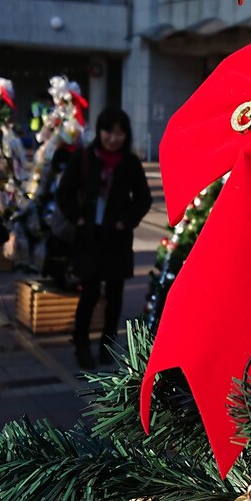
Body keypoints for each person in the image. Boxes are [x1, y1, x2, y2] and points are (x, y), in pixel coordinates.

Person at [56, 106, 151, 369]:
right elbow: (64, 192)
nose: (113, 137)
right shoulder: (85, 157)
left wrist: (125, 221)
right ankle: (82, 344)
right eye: (108, 131)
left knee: (115, 295)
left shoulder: (130, 162)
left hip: (117, 238)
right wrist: (79, 218)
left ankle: (107, 345)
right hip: (89, 237)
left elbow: (143, 198)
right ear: (99, 131)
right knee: (88, 293)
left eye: (119, 133)